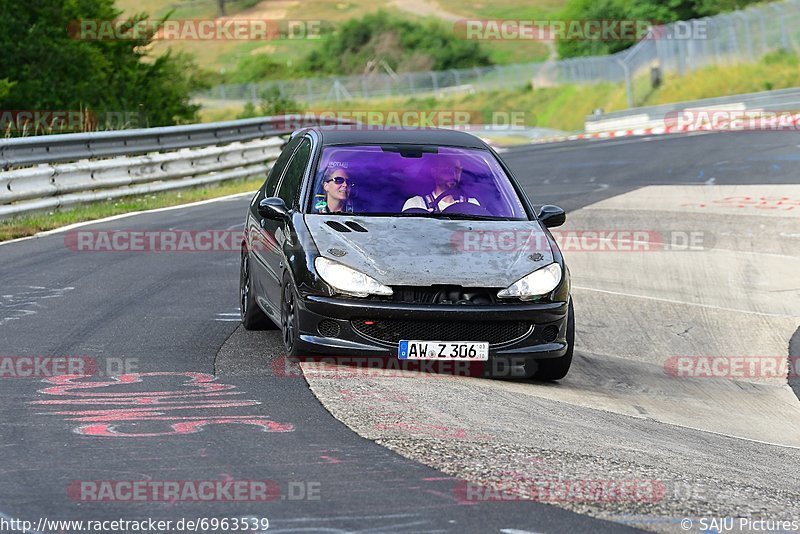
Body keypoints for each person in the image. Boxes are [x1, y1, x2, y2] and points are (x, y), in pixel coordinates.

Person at [402, 157, 479, 212]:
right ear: (434, 172)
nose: (453, 174)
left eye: (457, 170)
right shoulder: (417, 204)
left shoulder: (472, 205)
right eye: (447, 169)